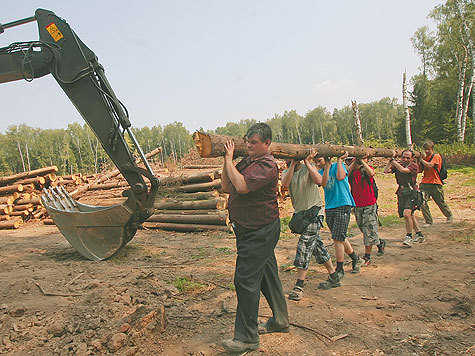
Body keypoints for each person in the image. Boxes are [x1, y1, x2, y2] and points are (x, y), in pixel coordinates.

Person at [221, 123, 289, 353]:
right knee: (268, 276)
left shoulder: (267, 165)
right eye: (247, 142)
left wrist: (230, 160)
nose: (248, 146)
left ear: (267, 143)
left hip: (259, 231)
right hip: (249, 229)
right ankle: (280, 320)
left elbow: (240, 187)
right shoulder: (248, 162)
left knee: (245, 281)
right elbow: (226, 186)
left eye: (254, 143)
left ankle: (247, 338)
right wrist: (226, 160)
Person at [281, 150, 340, 301]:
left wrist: (307, 162)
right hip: (301, 216)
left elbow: (319, 180)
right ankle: (334, 275)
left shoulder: (309, 167)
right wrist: (292, 165)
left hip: (314, 213)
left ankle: (299, 285)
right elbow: (285, 184)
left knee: (304, 246)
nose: (288, 162)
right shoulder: (286, 172)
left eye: (292, 159)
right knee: (317, 247)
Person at [317, 152, 361, 279]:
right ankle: (355, 258)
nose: (318, 163)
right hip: (330, 206)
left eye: (319, 161)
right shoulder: (321, 172)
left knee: (337, 238)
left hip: (343, 203)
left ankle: (340, 268)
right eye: (316, 162)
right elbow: (324, 184)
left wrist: (338, 159)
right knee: (339, 236)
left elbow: (341, 176)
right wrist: (325, 168)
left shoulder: (338, 166)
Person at [347, 157, 386, 267]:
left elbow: (372, 173)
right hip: (357, 204)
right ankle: (379, 243)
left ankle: (367, 256)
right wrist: (354, 162)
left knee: (368, 229)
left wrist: (362, 162)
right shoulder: (351, 172)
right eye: (348, 161)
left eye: (351, 160)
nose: (350, 162)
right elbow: (345, 174)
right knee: (363, 228)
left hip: (369, 203)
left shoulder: (366, 170)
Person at [384, 149, 424, 247]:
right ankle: (419, 234)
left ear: (413, 158)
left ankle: (409, 236)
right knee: (410, 215)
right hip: (402, 192)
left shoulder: (414, 166)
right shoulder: (398, 164)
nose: (405, 159)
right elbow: (386, 171)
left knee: (407, 214)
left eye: (408, 158)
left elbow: (403, 170)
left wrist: (393, 161)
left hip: (412, 192)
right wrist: (390, 161)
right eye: (403, 157)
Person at [417, 140, 453, 226]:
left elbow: (430, 165)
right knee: (422, 202)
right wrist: (418, 161)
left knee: (440, 201)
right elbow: (420, 170)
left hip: (435, 183)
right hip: (425, 182)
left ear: (432, 149)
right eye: (425, 149)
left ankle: (449, 215)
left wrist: (421, 160)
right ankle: (429, 221)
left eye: (428, 149)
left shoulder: (436, 156)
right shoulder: (424, 158)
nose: (426, 151)